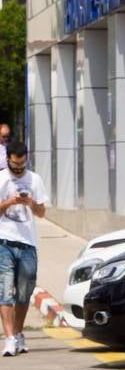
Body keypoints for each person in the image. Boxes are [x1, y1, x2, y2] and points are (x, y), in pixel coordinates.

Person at [0, 142, 50, 356]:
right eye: (14, 164)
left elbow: (41, 213)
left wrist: (31, 203)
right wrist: (8, 203)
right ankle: (9, 337)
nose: (18, 168)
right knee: (4, 291)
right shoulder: (1, 179)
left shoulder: (34, 179)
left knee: (24, 293)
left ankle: (19, 333)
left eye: (21, 164)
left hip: (28, 244)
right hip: (4, 242)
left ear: (26, 159)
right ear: (8, 159)